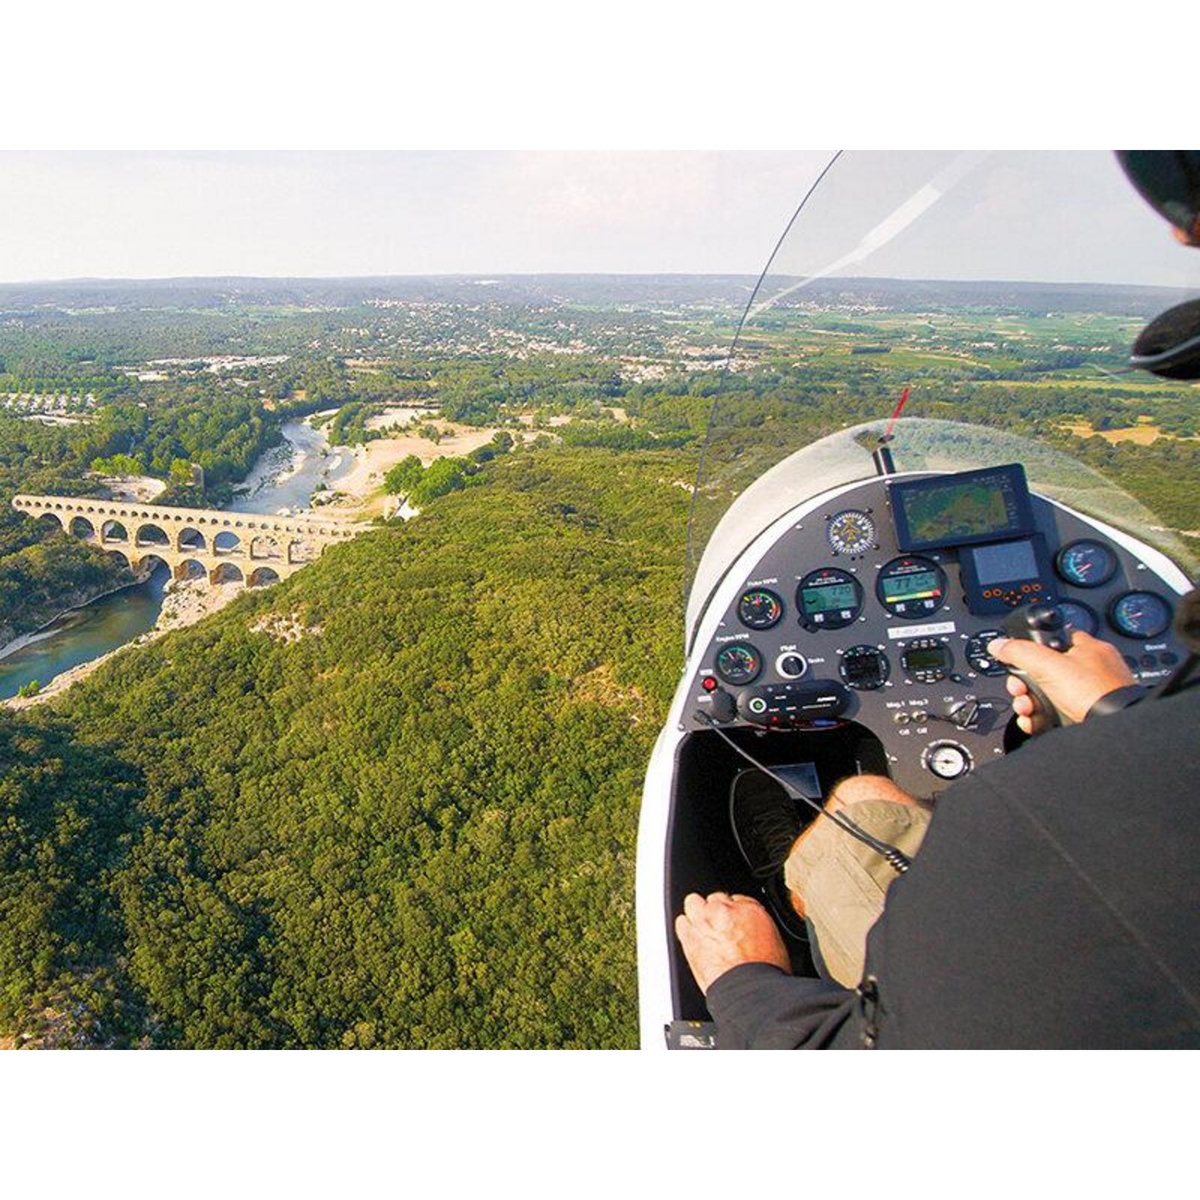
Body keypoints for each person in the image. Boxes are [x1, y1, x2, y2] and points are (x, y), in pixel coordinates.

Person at [675, 623, 1200, 1048]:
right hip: (1064, 906)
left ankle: (796, 892)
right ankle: (805, 875)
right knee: (864, 796)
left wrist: (743, 983)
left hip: (958, 984)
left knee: (857, 808)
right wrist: (1118, 711)